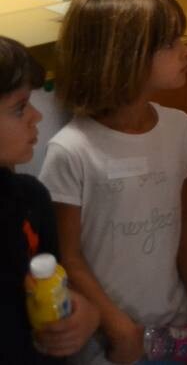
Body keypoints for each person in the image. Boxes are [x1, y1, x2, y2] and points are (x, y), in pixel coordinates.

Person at [41, 0, 187, 364]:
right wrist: (120, 327)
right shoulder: (71, 150)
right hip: (107, 342)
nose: (186, 50)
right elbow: (68, 257)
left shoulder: (178, 127)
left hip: (173, 324)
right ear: (124, 56)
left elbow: (182, 217)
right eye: (171, 43)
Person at [1, 36, 100, 363]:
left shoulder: (29, 197)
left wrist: (85, 313)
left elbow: (53, 282)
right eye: (19, 108)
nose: (36, 117)